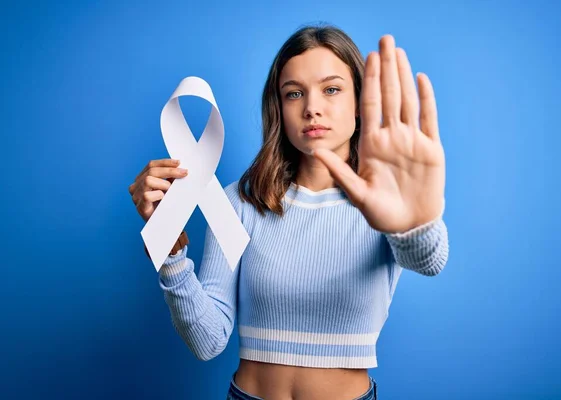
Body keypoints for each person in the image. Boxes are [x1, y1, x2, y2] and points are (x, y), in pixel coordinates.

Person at [129, 23, 449, 400]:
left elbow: (430, 261)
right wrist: (168, 248)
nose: (312, 107)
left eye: (332, 89)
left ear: (360, 103)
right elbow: (209, 341)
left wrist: (414, 223)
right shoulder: (242, 201)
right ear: (278, 107)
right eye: (294, 93)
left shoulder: (385, 200)